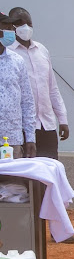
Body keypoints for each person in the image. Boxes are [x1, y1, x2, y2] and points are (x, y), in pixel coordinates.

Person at [8, 8, 68, 159]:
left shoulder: (42, 51)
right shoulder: (8, 54)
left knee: (48, 171)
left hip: (46, 124)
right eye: (19, 23)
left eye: (28, 23)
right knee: (25, 175)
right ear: (11, 27)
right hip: (22, 128)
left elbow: (52, 88)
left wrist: (63, 119)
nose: (25, 27)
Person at [0, 12, 35, 159]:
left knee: (12, 182)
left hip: (12, 140)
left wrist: (30, 137)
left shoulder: (17, 61)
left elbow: (27, 101)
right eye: (7, 26)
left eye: (12, 27)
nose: (12, 31)